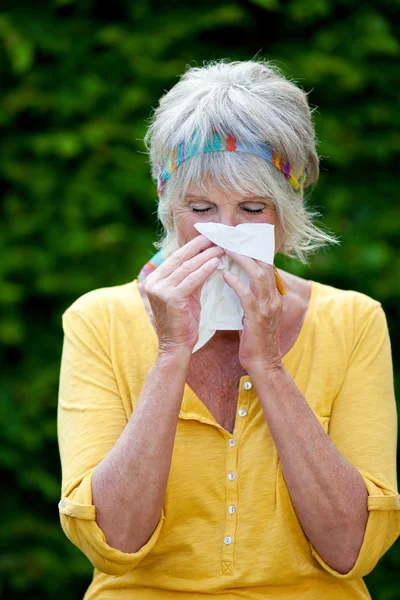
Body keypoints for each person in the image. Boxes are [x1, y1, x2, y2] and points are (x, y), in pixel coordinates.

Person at [57, 59, 400, 600]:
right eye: (201, 207)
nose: (227, 233)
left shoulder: (353, 322)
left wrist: (266, 363)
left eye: (252, 208)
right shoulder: (98, 320)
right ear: (168, 206)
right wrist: (172, 351)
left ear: (288, 213)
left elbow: (353, 550)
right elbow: (113, 544)